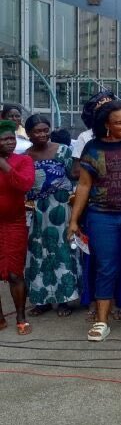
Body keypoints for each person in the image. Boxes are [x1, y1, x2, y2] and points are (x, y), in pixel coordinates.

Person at [68, 101, 121, 341]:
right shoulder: (92, 148)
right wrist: (74, 220)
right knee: (105, 267)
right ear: (106, 125)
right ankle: (101, 321)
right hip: (101, 215)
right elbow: (84, 185)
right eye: (119, 122)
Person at [24, 115, 80, 317]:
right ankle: (42, 300)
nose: (42, 134)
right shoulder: (25, 156)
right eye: (37, 131)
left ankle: (65, 300)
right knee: (38, 253)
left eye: (45, 130)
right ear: (28, 133)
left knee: (62, 252)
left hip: (60, 209)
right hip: (36, 211)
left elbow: (74, 178)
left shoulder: (63, 150)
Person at [0, 120, 35, 335]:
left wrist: (3, 164)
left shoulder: (23, 161)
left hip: (14, 223)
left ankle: (21, 316)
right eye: (4, 139)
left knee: (15, 274)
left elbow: (24, 184)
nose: (10, 142)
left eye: (11, 138)